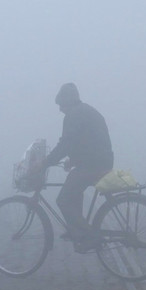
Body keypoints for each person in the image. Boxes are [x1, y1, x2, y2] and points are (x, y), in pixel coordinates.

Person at [35, 83, 113, 252]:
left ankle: (90, 236)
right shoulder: (85, 111)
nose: (60, 110)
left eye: (61, 105)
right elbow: (83, 140)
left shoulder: (74, 115)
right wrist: (73, 160)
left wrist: (44, 163)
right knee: (73, 189)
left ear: (68, 102)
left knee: (63, 199)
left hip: (94, 164)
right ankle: (77, 231)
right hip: (100, 160)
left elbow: (65, 144)